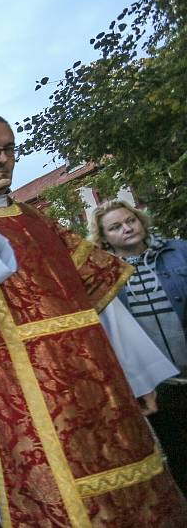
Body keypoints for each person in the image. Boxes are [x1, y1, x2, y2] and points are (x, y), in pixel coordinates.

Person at [0, 114, 186, 526]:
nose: (0, 159)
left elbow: (99, 296)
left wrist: (139, 375)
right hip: (15, 392)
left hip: (97, 385)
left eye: (7, 149)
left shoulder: (42, 222)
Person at [89, 199, 187, 493]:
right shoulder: (104, 277)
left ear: (141, 221)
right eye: (115, 227)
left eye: (130, 220)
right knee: (181, 457)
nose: (127, 228)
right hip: (161, 386)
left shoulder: (180, 251)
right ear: (105, 237)